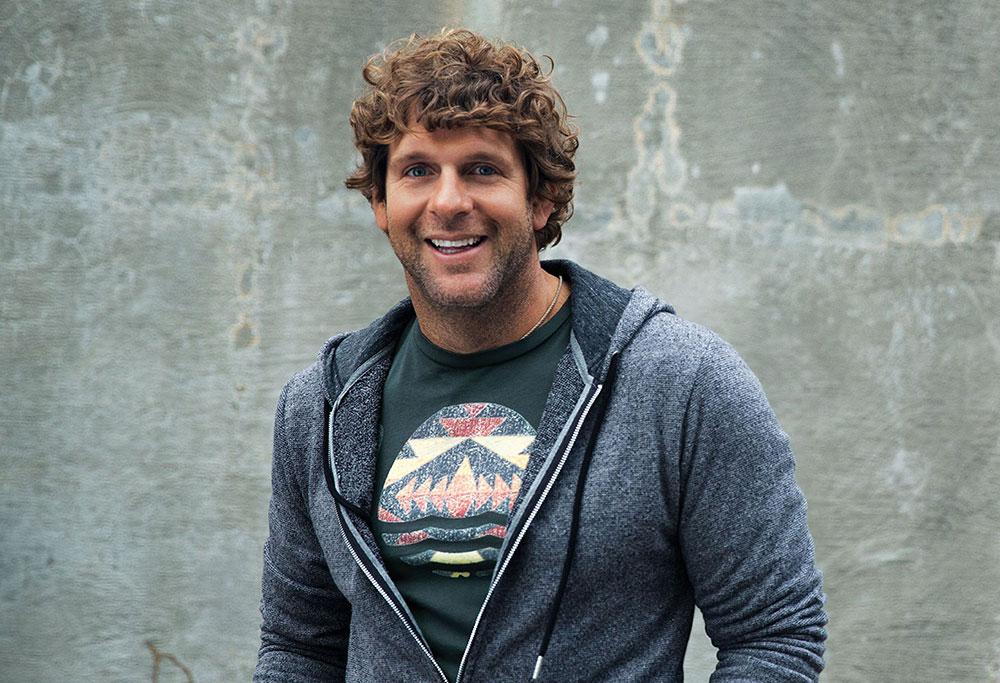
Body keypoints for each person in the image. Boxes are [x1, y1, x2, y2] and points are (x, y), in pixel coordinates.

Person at [255, 28, 827, 682]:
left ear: (540, 199)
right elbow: (298, 649)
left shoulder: (681, 383)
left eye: (482, 169)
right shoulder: (322, 407)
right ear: (381, 204)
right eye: (417, 171)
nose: (448, 201)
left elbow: (775, 636)